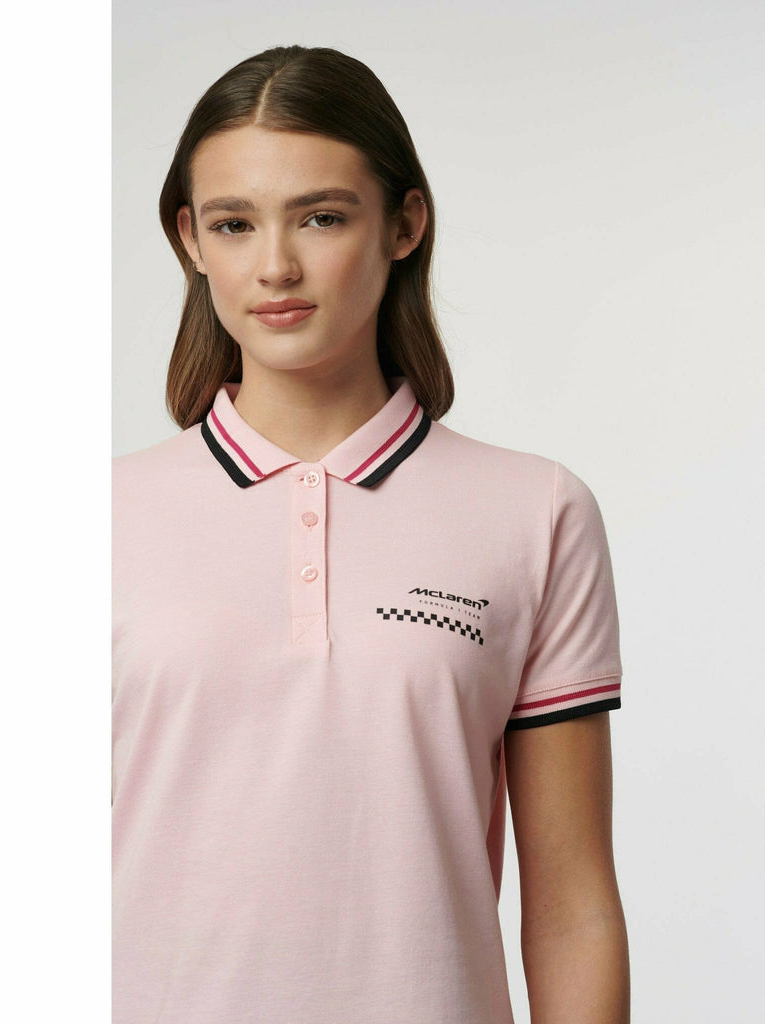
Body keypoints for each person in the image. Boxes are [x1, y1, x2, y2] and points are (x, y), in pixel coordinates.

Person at [112, 44, 630, 1023]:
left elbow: (572, 907)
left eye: (321, 216)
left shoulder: (536, 512)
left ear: (404, 224)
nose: (275, 265)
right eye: (234, 223)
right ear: (191, 239)